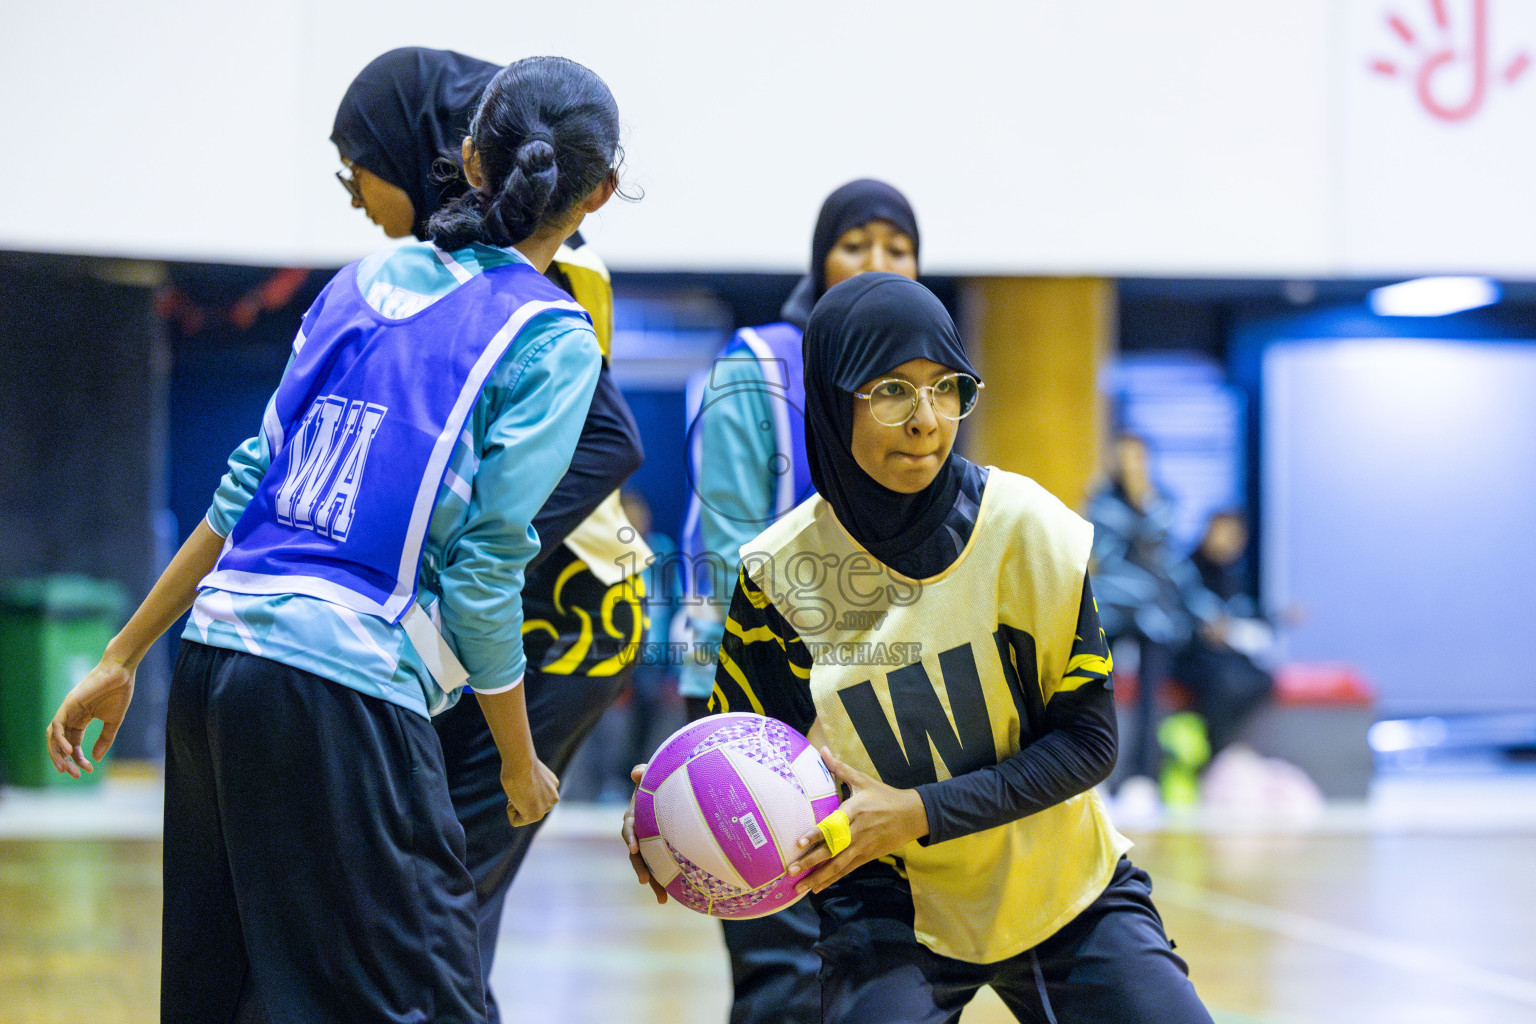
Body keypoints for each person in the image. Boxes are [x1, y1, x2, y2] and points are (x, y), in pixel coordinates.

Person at [48, 56, 625, 1024]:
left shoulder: (366, 277)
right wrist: (520, 765)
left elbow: (247, 485)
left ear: (469, 161)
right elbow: (486, 574)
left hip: (217, 658)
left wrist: (122, 654)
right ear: (601, 191)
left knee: (226, 997)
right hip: (343, 685)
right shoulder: (553, 336)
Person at [629, 273, 1212, 1023]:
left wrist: (918, 811)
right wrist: (670, 810)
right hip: (889, 906)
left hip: (1062, 884)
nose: (927, 420)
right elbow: (748, 753)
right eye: (893, 392)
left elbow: (1090, 743)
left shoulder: (1027, 530)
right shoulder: (778, 576)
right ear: (835, 402)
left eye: (946, 388)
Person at [331, 47, 651, 1021]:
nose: (352, 199)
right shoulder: (429, 270)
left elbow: (612, 443)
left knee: (440, 890)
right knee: (421, 887)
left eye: (357, 172)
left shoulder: (545, 278)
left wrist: (466, 551)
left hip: (569, 614)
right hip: (493, 613)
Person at [676, 179, 919, 1024]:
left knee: (871, 963)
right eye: (856, 244)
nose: (876, 263)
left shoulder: (918, 382)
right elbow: (733, 544)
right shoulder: (762, 361)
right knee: (779, 958)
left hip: (878, 701)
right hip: (754, 687)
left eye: (896, 247)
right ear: (820, 257)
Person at [1086, 432, 1225, 795]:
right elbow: (1102, 545)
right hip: (1111, 610)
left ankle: (1141, 779)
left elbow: (1165, 549)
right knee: (1096, 694)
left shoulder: (1164, 502)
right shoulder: (1101, 502)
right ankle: (1095, 776)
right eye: (1124, 457)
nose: (1131, 464)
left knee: (1152, 699)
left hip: (1155, 615)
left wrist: (1143, 499)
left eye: (1137, 457)